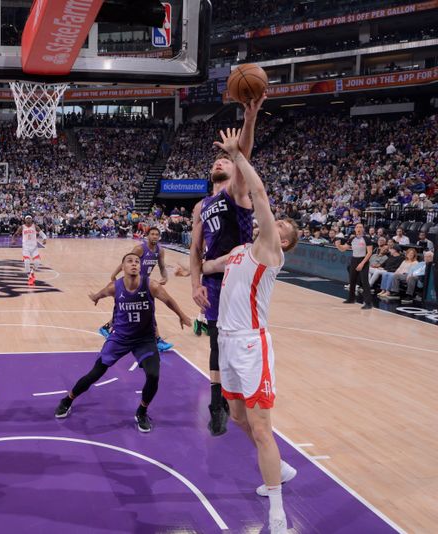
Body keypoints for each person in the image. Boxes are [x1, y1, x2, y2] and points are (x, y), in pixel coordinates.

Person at [203, 128, 300, 534]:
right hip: (226, 341)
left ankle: (275, 509)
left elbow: (258, 196)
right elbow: (209, 265)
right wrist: (189, 274)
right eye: (276, 222)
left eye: (283, 227)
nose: (275, 223)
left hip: (251, 345)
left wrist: (237, 155)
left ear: (286, 244)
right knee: (239, 417)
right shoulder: (242, 250)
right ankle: (281, 466)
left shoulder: (269, 253)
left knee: (261, 428)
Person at [190, 97, 264, 436]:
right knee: (216, 341)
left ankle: (246, 396)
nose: (222, 161)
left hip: (240, 278)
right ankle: (216, 403)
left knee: (236, 342)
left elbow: (243, 155)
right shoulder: (201, 205)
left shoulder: (236, 192)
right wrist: (195, 283)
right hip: (215, 279)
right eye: (219, 159)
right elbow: (194, 249)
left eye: (227, 159)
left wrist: (249, 120)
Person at [55, 252, 192, 432]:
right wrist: (95, 297)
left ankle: (141, 411)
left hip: (144, 338)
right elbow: (102, 293)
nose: (134, 264)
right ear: (123, 267)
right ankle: (68, 399)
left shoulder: (151, 285)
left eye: (137, 261)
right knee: (95, 373)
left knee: (153, 375)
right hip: (120, 337)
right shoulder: (115, 287)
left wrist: (181, 315)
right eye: (130, 261)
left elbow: (169, 301)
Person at [97, 227, 187, 351]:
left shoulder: (160, 251)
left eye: (157, 234)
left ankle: (106, 328)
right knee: (144, 310)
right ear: (147, 236)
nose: (155, 236)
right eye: (152, 234)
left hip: (145, 284)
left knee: (136, 310)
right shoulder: (140, 249)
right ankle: (157, 340)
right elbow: (125, 261)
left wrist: (165, 276)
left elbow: (162, 266)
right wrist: (114, 274)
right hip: (132, 282)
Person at [334, 223, 374, 309]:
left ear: (363, 229)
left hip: (363, 260)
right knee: (352, 280)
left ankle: (368, 303)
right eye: (357, 227)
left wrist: (362, 263)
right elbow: (343, 249)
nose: (359, 228)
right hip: (354, 260)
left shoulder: (366, 239)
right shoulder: (352, 239)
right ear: (355, 229)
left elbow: (370, 252)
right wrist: (338, 245)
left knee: (364, 282)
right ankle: (351, 299)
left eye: (360, 227)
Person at [11, 214, 47, 286]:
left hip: (34, 247)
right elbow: (15, 235)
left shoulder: (35, 226)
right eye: (27, 218)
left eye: (29, 218)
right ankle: (29, 277)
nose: (28, 220)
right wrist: (13, 240)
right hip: (26, 248)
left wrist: (44, 239)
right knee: (27, 262)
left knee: (37, 262)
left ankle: (32, 272)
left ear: (31, 219)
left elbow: (43, 234)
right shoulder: (22, 227)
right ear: (24, 220)